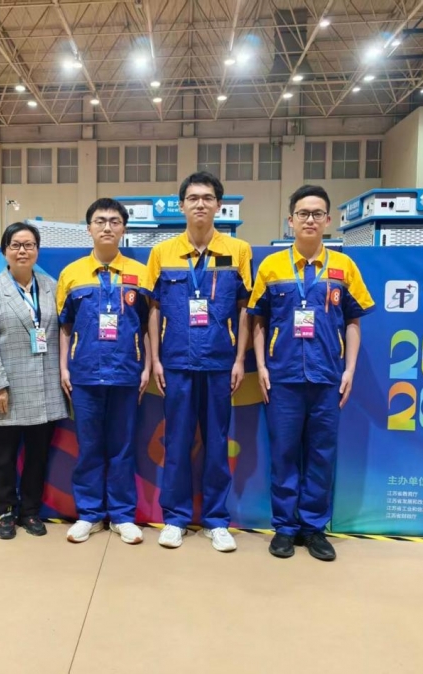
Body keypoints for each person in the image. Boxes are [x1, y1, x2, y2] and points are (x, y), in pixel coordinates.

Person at [248, 184, 374, 561]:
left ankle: (314, 528)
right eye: (303, 213)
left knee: (321, 455)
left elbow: (353, 322)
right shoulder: (271, 267)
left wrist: (349, 370)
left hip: (327, 378)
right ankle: (285, 528)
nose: (310, 220)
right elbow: (257, 322)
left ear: (328, 220)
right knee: (284, 454)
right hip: (282, 378)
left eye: (317, 214)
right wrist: (261, 366)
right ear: (290, 221)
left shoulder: (344, 268)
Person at [147, 172, 253, 552]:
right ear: (182, 206)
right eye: (193, 198)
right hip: (176, 363)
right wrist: (155, 360)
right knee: (176, 442)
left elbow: (245, 309)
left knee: (217, 443)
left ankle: (215, 520)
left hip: (219, 363)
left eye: (208, 198)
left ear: (218, 205)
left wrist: (239, 360)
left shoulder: (238, 250)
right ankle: (174, 518)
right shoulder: (162, 253)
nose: (200, 204)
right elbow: (153, 309)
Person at [56, 198, 152, 545]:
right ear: (89, 229)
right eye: (100, 221)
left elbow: (147, 324)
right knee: (89, 447)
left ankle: (123, 515)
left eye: (114, 221)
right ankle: (90, 514)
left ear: (123, 228)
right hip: (84, 375)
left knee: (123, 447)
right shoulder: (71, 274)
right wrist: (64, 366)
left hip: (127, 372)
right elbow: (64, 326)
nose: (107, 227)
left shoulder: (141, 273)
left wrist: (148, 366)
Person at [0, 222, 68, 540]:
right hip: (9, 388)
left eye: (29, 245)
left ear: (37, 250)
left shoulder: (52, 286)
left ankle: (30, 511)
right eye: (15, 245)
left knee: (38, 455)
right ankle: (5, 512)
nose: (22, 251)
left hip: (45, 387)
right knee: (4, 455)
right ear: (5, 251)